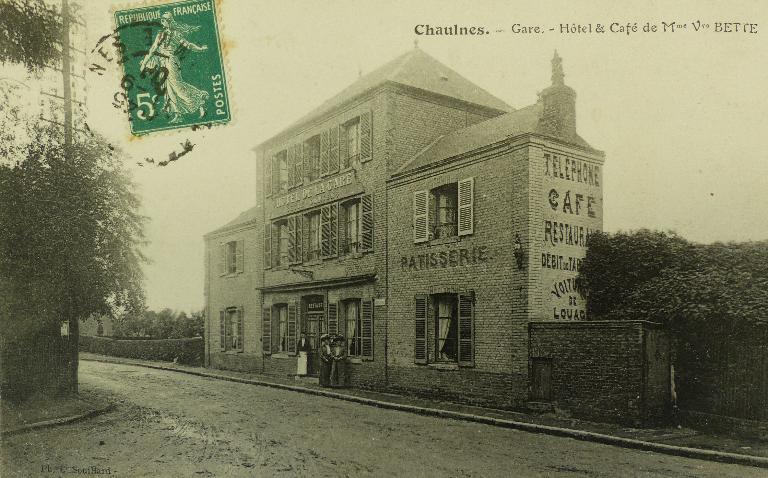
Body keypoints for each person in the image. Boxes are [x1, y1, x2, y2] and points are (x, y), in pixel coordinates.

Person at [139, 12, 209, 123]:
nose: (163, 22)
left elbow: (188, 45)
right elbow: (153, 49)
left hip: (171, 62)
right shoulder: (160, 34)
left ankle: (199, 100)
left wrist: (200, 49)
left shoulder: (177, 34)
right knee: (168, 88)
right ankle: (178, 114)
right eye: (162, 20)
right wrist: (144, 63)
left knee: (177, 86)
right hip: (162, 63)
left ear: (170, 21)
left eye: (165, 20)